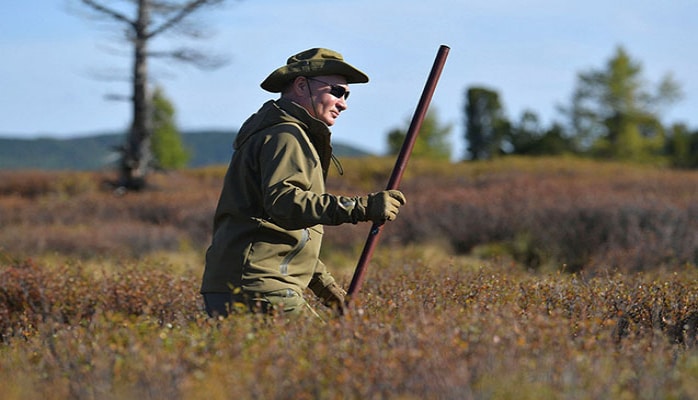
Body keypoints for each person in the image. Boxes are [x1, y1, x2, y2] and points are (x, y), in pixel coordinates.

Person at [200, 48, 406, 318]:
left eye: (346, 94)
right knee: (326, 358)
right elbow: (285, 204)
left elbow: (284, 236)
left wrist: (326, 288)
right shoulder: (286, 135)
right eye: (337, 91)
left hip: (242, 283)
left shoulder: (280, 132)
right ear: (301, 85)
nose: (343, 103)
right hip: (261, 286)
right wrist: (362, 207)